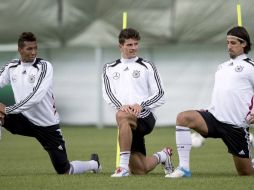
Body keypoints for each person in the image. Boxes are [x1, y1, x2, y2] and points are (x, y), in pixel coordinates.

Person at [0, 32, 101, 175]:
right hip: (23, 120)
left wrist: (8, 109)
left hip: (47, 125)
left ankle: (94, 163)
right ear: (20, 50)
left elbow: (36, 96)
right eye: (29, 49)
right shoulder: (11, 67)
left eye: (35, 48)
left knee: (64, 170)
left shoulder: (45, 66)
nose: (33, 52)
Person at [166, 26, 254, 178]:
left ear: (244, 44)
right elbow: (222, 93)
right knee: (183, 118)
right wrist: (209, 108)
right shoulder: (222, 67)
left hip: (236, 127)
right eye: (227, 43)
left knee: (245, 173)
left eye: (233, 43)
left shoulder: (250, 67)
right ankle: (184, 169)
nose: (229, 46)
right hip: (214, 118)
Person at [102, 28, 173, 177]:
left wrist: (141, 105)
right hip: (126, 123)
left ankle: (122, 168)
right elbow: (108, 93)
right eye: (129, 45)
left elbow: (160, 94)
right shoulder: (109, 68)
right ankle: (163, 155)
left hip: (145, 117)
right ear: (120, 46)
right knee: (141, 170)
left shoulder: (147, 66)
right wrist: (122, 105)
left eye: (136, 44)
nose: (134, 48)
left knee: (122, 116)